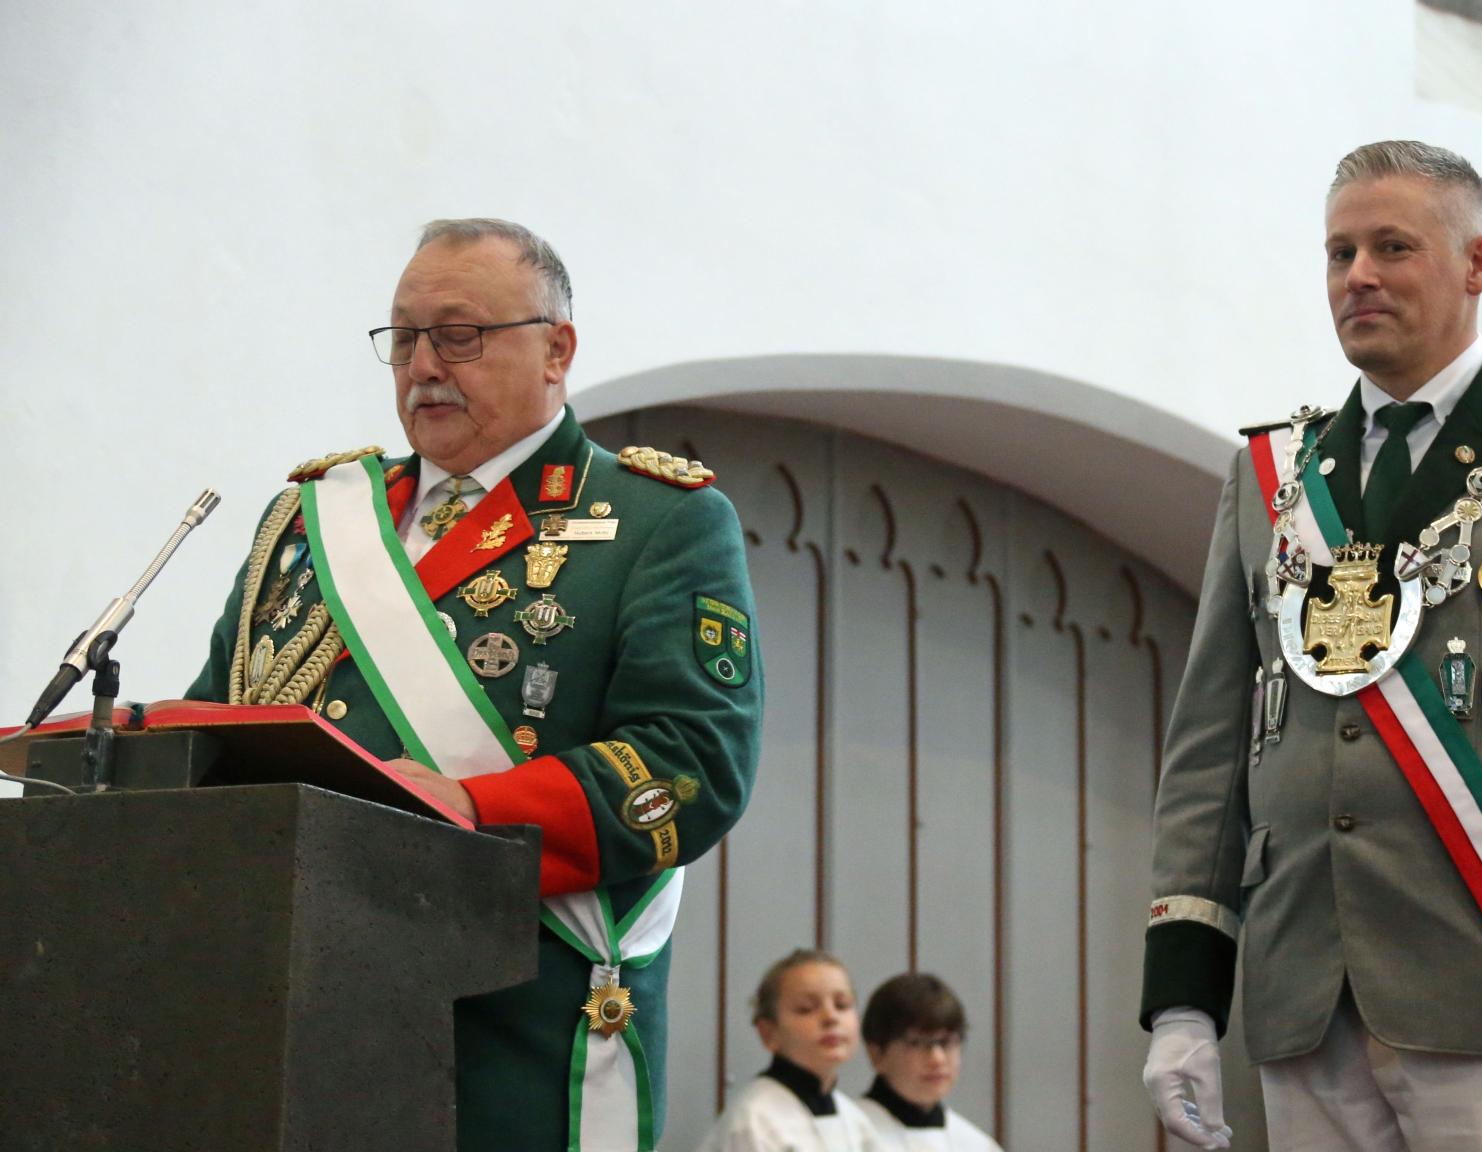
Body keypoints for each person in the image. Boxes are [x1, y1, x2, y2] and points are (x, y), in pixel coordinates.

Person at [1140, 139, 1482, 1151]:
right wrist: (1182, 1001)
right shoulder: (1267, 475)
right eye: (1337, 253)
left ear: (1476, 264)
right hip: (1301, 985)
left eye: (1390, 247)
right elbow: (1206, 756)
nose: (1356, 276)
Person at [187, 218, 764, 1151]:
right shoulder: (312, 522)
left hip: (508, 1015)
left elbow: (692, 764)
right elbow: (216, 728)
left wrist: (467, 808)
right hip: (286, 1001)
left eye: (458, 336)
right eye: (404, 338)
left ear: (556, 349)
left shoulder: (656, 521)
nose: (423, 366)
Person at [697, 949, 881, 1152]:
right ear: (769, 1033)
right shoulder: (755, 1122)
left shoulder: (855, 1121)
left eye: (841, 1005)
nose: (831, 1017)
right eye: (806, 1008)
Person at [856, 972, 1003, 1151]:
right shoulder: (851, 1134)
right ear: (876, 1053)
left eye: (947, 1042)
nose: (937, 1059)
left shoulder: (977, 1145)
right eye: (917, 1043)